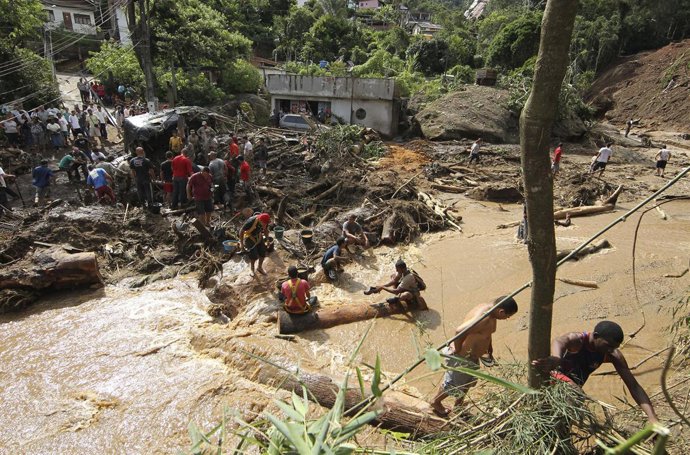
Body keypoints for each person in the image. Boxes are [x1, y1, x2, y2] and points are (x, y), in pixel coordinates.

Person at [532, 321, 659, 424]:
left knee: (570, 410)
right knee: (577, 394)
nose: (611, 350)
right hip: (555, 376)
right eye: (608, 346)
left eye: (615, 347)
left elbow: (634, 387)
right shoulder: (579, 341)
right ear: (596, 336)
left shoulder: (612, 354)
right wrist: (557, 358)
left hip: (573, 386)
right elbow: (560, 341)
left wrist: (652, 417)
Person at [429, 296, 519, 416]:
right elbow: (459, 331)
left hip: (472, 357)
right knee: (453, 383)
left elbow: (487, 333)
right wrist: (458, 349)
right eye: (507, 316)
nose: (507, 319)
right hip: (462, 357)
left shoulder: (491, 311)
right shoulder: (484, 318)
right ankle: (435, 402)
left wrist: (489, 347)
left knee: (468, 381)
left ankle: (459, 404)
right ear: (501, 311)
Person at [239, 212, 271, 276]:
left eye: (266, 223)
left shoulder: (265, 221)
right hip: (249, 237)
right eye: (264, 223)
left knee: (262, 252)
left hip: (258, 236)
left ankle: (259, 267)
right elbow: (241, 231)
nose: (265, 225)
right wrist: (241, 243)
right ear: (260, 220)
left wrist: (267, 240)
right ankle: (252, 269)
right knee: (253, 255)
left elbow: (265, 230)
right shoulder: (251, 221)